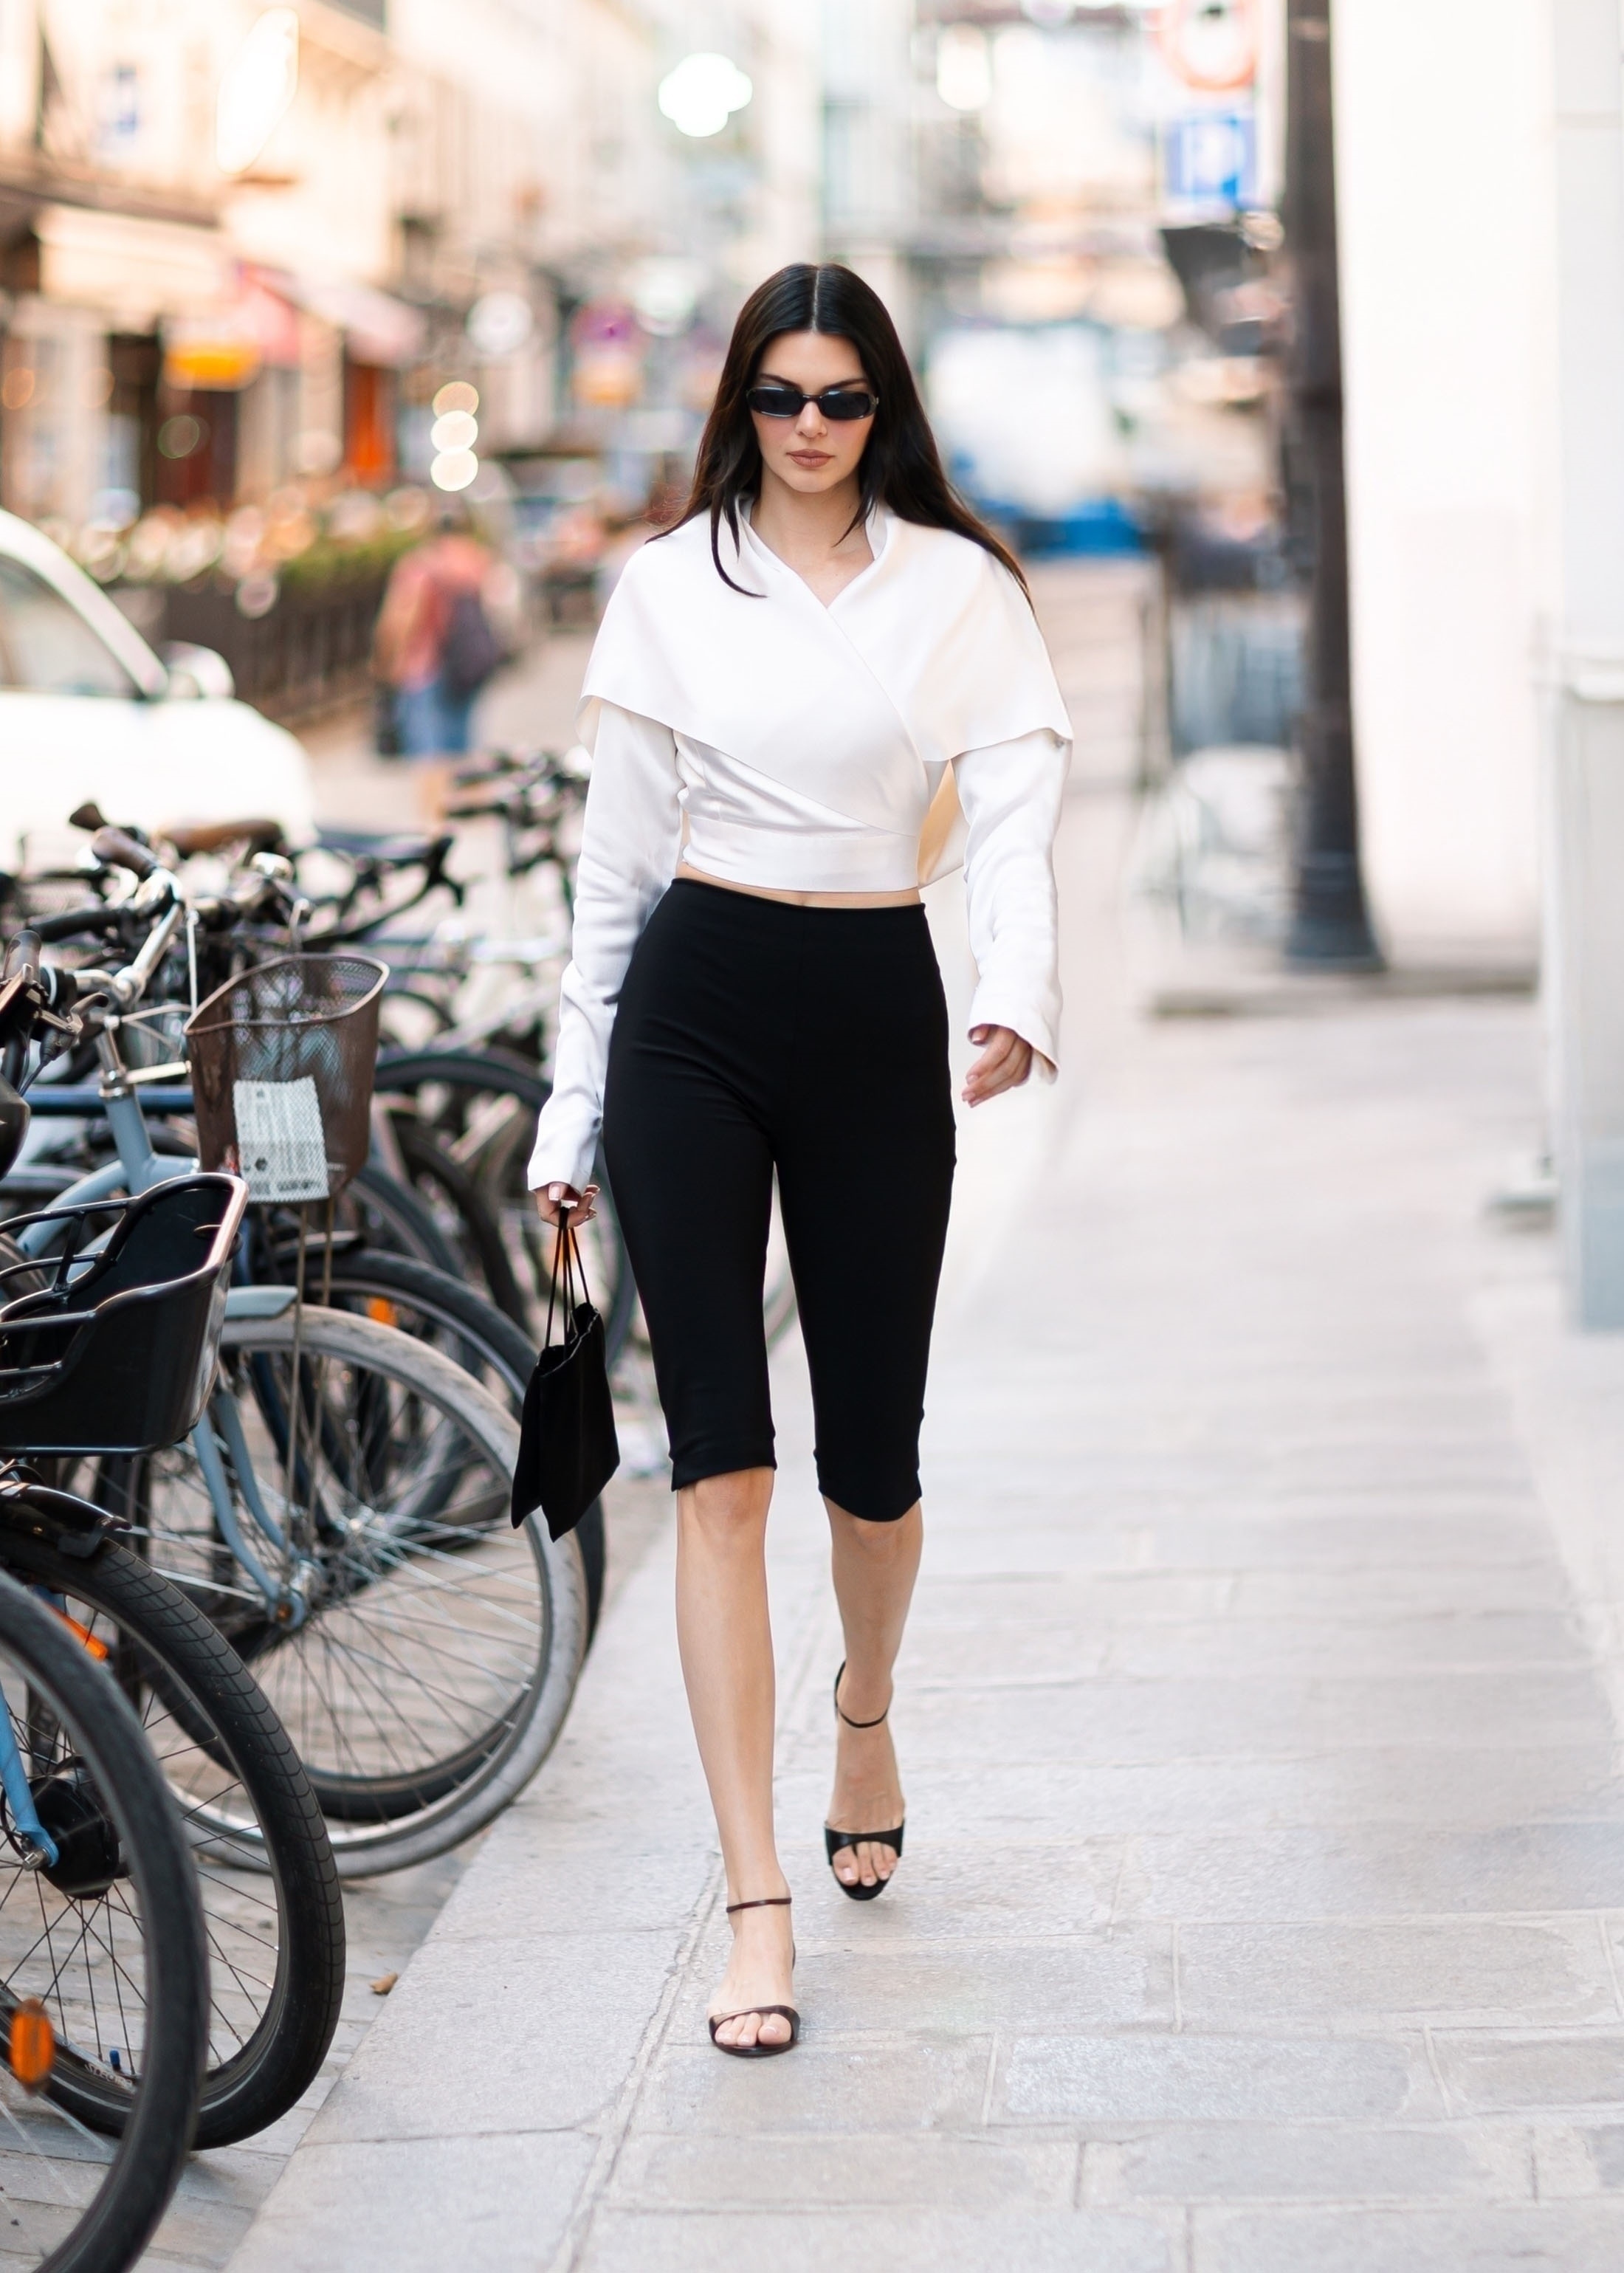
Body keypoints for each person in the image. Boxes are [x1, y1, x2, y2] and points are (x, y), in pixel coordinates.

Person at [526, 263, 1070, 2057]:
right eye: (782, 396)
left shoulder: (956, 588)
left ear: (885, 406)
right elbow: (609, 877)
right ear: (738, 404)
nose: (814, 429)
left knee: (875, 1464)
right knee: (719, 1466)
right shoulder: (669, 585)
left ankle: (867, 1702)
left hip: (863, 1000)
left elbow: (1007, 815)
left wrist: (1019, 989)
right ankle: (753, 1896)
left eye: (845, 398)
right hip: (691, 1005)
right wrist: (566, 1109)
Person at [372, 502, 504, 812]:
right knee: (460, 742)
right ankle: (467, 812)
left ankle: (434, 822)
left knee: (429, 752)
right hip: (466, 666)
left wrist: (386, 659)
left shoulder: (421, 564)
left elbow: (401, 617)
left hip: (425, 666)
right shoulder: (477, 561)